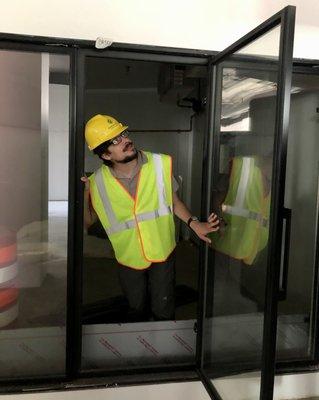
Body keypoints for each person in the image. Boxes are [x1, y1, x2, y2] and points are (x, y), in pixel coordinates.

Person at [81, 114, 219, 321]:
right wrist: (85, 194)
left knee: (163, 306)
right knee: (136, 308)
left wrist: (193, 223)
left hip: (162, 249)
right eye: (115, 141)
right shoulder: (96, 182)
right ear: (106, 156)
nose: (126, 140)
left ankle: (163, 346)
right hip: (128, 256)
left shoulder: (159, 164)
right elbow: (88, 223)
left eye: (123, 134)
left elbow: (173, 201)